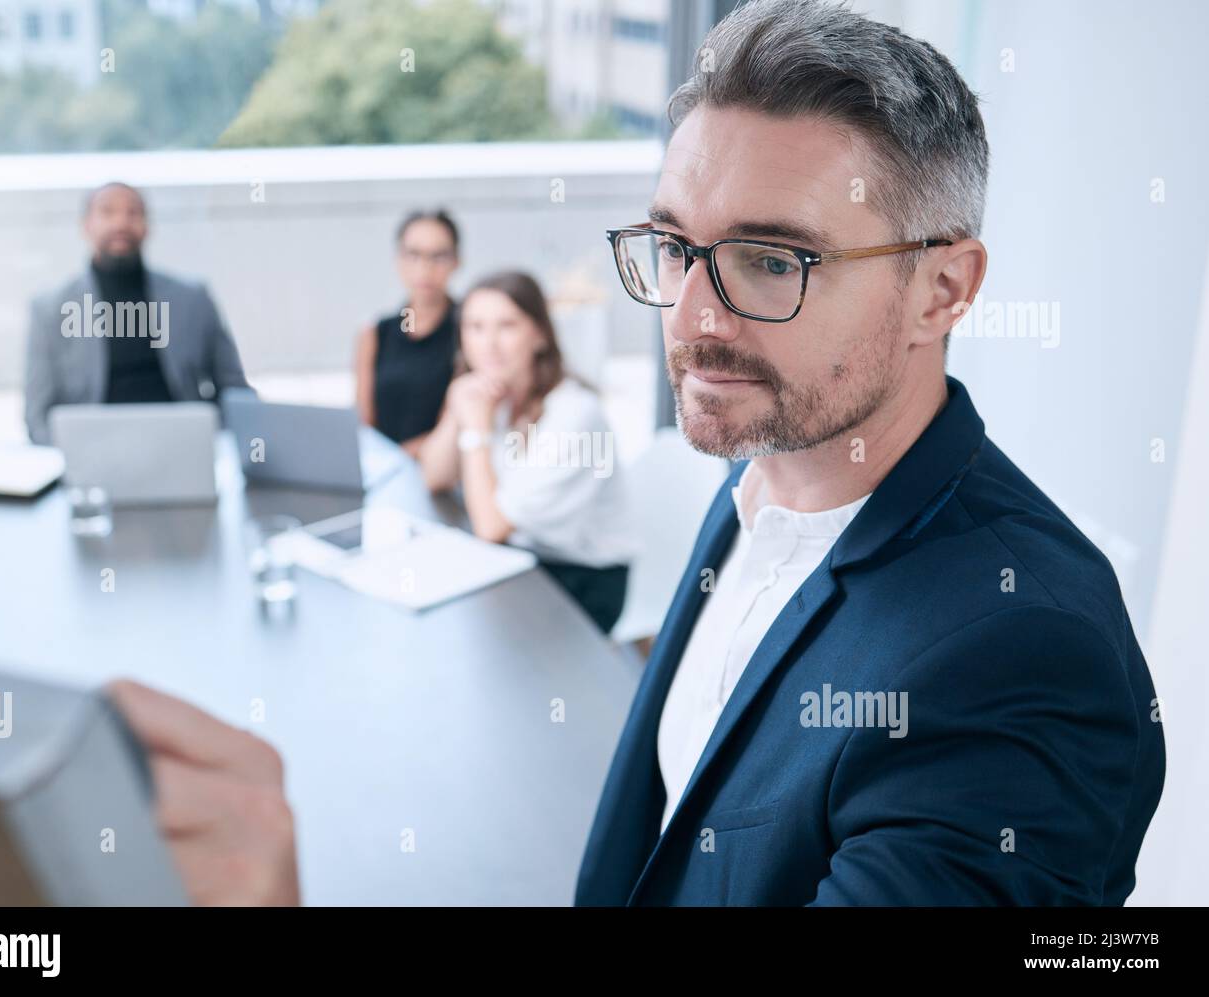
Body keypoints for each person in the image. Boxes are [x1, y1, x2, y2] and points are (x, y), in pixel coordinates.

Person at [108, 0, 1164, 906]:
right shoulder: (759, 484)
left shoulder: (1024, 654)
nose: (694, 317)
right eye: (673, 245)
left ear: (943, 289)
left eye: (769, 258)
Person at [418, 271, 636, 634]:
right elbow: (434, 477)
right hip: (523, 558)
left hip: (583, 577)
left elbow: (491, 528)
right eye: (474, 327)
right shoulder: (493, 394)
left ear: (538, 335)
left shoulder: (574, 413)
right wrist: (457, 406)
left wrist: (475, 429)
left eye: (506, 326)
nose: (488, 344)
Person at [23, 182, 250, 445]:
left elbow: (234, 388)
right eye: (107, 212)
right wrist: (68, 458)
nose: (121, 223)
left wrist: (224, 442)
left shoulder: (193, 298)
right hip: (94, 447)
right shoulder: (49, 308)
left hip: (179, 443)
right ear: (86, 225)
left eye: (133, 213)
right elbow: (36, 416)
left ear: (147, 226)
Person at [354, 209, 461, 458]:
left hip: (440, 471)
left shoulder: (469, 329)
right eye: (413, 254)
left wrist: (395, 459)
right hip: (380, 470)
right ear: (398, 260)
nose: (425, 267)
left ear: (456, 261)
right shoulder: (376, 334)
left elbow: (453, 426)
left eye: (439, 256)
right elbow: (362, 422)